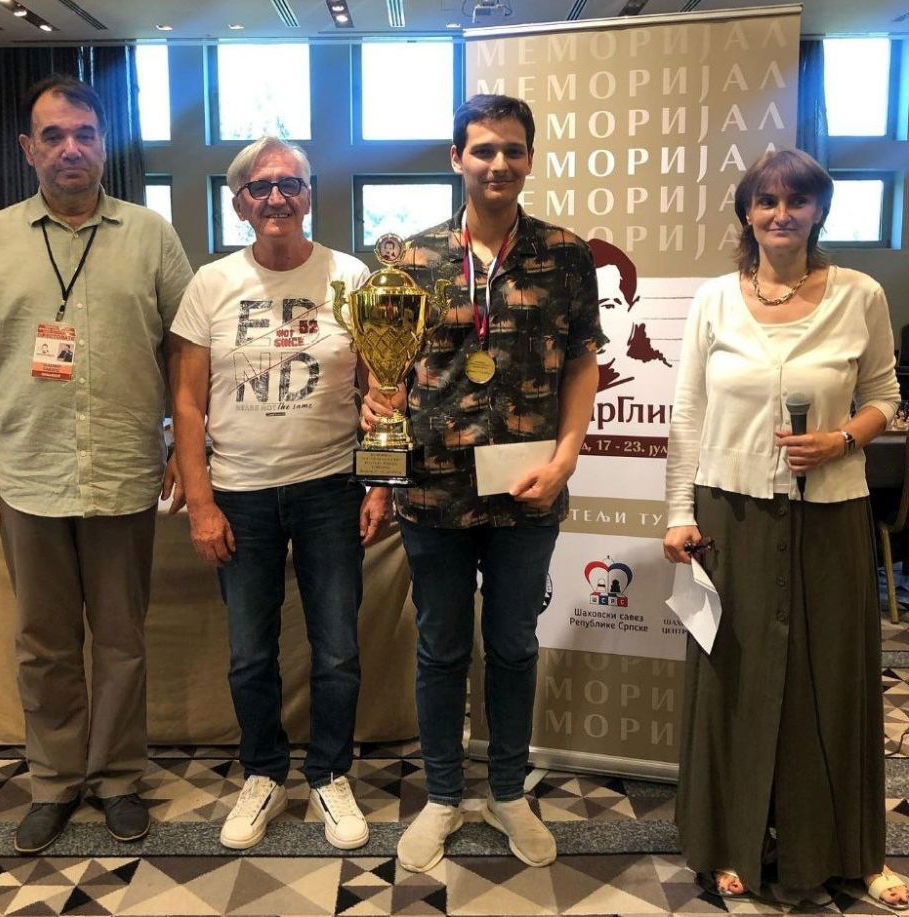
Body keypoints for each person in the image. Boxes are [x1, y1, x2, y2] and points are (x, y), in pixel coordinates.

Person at [0, 75, 192, 854]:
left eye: (84, 133)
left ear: (104, 144)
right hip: (30, 476)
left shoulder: (151, 235)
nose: (70, 148)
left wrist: (187, 452)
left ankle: (117, 778)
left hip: (123, 469)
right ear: (28, 149)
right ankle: (53, 781)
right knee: (43, 642)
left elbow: (186, 352)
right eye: (52, 136)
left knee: (121, 639)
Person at [363, 95, 605, 872]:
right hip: (432, 491)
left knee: (512, 646)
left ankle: (506, 792)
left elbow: (582, 362)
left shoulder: (565, 255)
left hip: (528, 490)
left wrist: (566, 459)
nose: (499, 163)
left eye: (512, 149)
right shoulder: (412, 259)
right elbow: (387, 373)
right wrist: (376, 421)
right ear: (456, 158)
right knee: (439, 650)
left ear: (529, 158)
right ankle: (442, 794)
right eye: (483, 149)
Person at [663, 148, 908, 909]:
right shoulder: (714, 300)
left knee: (833, 680)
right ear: (747, 212)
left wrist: (842, 440)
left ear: (818, 211)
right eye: (767, 200)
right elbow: (688, 413)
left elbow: (884, 395)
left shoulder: (860, 294)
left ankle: (853, 853)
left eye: (797, 200)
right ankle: (730, 842)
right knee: (734, 679)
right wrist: (678, 514)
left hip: (831, 511)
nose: (781, 213)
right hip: (729, 511)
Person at [171, 136, 390, 852]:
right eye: (260, 187)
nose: (276, 198)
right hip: (240, 492)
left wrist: (380, 481)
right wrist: (202, 502)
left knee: (337, 650)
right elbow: (187, 403)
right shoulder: (211, 284)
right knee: (248, 653)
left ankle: (330, 774)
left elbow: (382, 388)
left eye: (289, 184)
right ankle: (263, 773)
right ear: (239, 204)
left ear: (309, 195)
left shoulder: (350, 277)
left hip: (331, 486)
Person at [587, 238, 670, 392]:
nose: (591, 321)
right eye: (578, 306)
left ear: (633, 311)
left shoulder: (662, 383)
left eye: (608, 306)